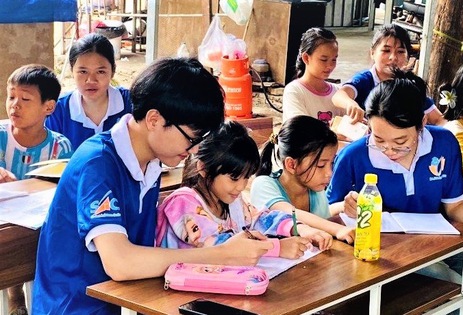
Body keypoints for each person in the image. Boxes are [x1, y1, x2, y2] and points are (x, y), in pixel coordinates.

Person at [32, 58, 273, 314]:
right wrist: (221, 254)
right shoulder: (98, 163)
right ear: (155, 120)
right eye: (192, 138)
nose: (193, 150)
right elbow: (120, 263)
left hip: (113, 302)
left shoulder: (151, 161)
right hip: (70, 306)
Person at [327, 70, 463, 314]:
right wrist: (345, 206)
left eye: (400, 141)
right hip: (385, 254)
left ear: (421, 124)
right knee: (448, 281)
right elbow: (329, 210)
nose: (389, 150)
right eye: (379, 139)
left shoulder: (444, 143)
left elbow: (455, 206)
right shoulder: (354, 156)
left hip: (438, 244)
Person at [156, 120, 332, 256]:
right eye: (233, 178)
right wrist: (276, 247)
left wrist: (300, 228)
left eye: (246, 177)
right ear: (203, 168)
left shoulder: (231, 200)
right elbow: (219, 246)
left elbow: (260, 218)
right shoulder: (182, 203)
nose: (241, 186)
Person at [2, 64, 73, 315]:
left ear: (49, 107)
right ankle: (14, 293)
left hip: (38, 220)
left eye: (25, 99)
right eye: (11, 96)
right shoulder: (0, 136)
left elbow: (61, 188)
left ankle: (37, 296)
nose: (14, 105)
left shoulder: (60, 146)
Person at [250, 115, 355, 244]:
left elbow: (321, 218)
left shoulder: (315, 190)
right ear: (291, 165)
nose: (329, 173)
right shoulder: (263, 185)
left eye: (332, 163)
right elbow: (289, 214)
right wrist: (338, 229)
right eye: (321, 165)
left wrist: (344, 207)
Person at [331, 23, 444, 125]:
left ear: (408, 56)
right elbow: (339, 96)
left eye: (400, 52)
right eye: (386, 51)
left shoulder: (410, 86)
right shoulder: (365, 80)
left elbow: (439, 119)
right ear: (373, 53)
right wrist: (351, 104)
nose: (393, 58)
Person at [45, 33, 133, 150]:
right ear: (72, 71)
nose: (91, 80)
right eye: (83, 72)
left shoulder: (131, 103)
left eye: (100, 72)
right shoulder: (58, 111)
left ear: (112, 71)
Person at [282, 27, 344, 126]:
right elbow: (300, 129)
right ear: (306, 58)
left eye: (334, 59)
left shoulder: (338, 92)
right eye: (324, 59)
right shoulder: (294, 91)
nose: (330, 65)